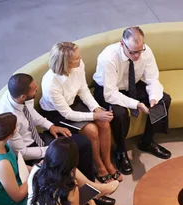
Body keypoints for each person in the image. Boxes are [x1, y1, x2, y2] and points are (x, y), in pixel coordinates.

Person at [0, 73, 117, 205]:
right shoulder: (9, 117)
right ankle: (87, 195)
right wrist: (51, 150)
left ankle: (89, 192)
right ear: (23, 96)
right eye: (34, 89)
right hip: (29, 153)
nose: (37, 89)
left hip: (38, 139)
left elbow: (31, 113)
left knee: (83, 144)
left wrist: (51, 126)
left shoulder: (19, 96)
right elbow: (22, 152)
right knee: (62, 161)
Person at [93, 26, 172, 175]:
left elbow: (152, 79)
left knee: (164, 100)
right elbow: (110, 94)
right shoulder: (108, 58)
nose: (137, 56)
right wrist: (136, 104)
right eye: (132, 52)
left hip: (132, 85)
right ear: (122, 43)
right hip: (108, 89)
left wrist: (153, 98)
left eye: (139, 51)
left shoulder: (145, 51)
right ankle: (120, 151)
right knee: (119, 113)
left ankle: (147, 141)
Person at [40, 42, 122, 183]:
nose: (81, 59)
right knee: (91, 130)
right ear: (65, 63)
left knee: (104, 123)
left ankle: (108, 162)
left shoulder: (78, 65)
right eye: (76, 58)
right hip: (56, 113)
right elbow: (67, 114)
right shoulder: (51, 84)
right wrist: (94, 116)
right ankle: (99, 166)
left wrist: (96, 108)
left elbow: (83, 89)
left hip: (74, 101)